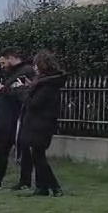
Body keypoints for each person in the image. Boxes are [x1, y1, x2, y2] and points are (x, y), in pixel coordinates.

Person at [0, 48, 36, 190]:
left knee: (16, 150)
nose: (2, 66)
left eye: (3, 63)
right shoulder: (14, 73)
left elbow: (21, 93)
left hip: (14, 118)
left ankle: (19, 181)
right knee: (3, 148)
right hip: (8, 116)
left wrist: (2, 89)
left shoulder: (24, 72)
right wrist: (0, 91)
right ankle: (0, 179)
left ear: (11, 58)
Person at [17, 50, 67, 197]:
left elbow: (34, 103)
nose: (34, 68)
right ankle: (42, 187)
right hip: (39, 123)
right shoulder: (45, 83)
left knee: (39, 157)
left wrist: (24, 91)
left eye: (36, 65)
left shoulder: (48, 86)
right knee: (37, 155)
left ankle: (55, 187)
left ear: (42, 66)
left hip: (41, 124)